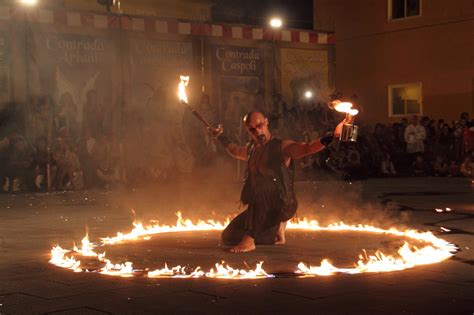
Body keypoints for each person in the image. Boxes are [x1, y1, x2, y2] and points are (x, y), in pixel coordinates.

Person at [211, 111, 345, 253]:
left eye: (259, 125)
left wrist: (332, 136)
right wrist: (220, 136)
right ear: (247, 130)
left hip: (282, 204)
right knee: (228, 236)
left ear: (266, 122)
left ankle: (250, 239)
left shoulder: (282, 146)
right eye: (252, 129)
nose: (257, 131)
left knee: (266, 185)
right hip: (260, 208)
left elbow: (307, 148)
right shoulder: (251, 150)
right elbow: (234, 150)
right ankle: (275, 230)